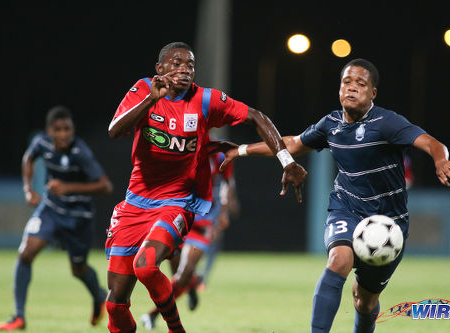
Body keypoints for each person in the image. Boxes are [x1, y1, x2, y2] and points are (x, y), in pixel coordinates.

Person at [217, 58, 450, 333]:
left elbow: (431, 143)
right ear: (339, 88)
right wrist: (241, 150)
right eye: (347, 82)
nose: (352, 88)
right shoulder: (330, 124)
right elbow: (293, 143)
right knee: (339, 259)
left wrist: (440, 160)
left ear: (373, 93)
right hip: (347, 208)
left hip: (389, 223)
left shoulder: (387, 122)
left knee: (364, 302)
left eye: (361, 84)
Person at [105, 41, 307, 333]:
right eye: (176, 64)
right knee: (115, 303)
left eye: (190, 65)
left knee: (146, 265)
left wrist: (286, 161)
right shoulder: (143, 89)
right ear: (159, 69)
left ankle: (177, 329)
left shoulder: (205, 100)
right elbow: (115, 130)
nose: (185, 70)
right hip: (134, 203)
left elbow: (257, 117)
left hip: (176, 202)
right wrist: (150, 99)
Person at [0, 106, 113, 331]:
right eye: (58, 129)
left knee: (78, 269)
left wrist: (67, 187)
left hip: (79, 218)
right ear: (49, 131)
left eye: (67, 129)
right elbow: (28, 157)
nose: (63, 134)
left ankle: (99, 296)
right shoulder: (41, 143)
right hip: (50, 210)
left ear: (73, 129)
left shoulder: (81, 152)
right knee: (26, 253)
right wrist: (28, 189)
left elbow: (105, 186)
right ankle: (19, 316)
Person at [139, 150, 236, 330]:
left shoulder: (220, 156)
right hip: (177, 218)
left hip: (203, 222)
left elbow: (227, 184)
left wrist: (223, 213)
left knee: (182, 274)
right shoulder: (182, 149)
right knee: (174, 273)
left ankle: (151, 315)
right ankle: (191, 284)